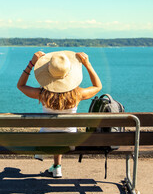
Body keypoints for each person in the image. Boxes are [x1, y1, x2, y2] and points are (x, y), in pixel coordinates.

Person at [17, 50, 102, 178]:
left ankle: (51, 161)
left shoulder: (43, 95)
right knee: (63, 131)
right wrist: (87, 64)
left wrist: (31, 63)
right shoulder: (77, 94)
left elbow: (21, 85)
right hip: (70, 142)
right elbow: (97, 86)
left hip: (45, 141)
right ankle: (57, 167)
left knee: (53, 131)